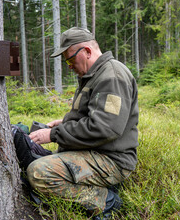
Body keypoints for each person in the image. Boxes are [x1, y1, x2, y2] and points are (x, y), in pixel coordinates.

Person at [14, 27, 139, 219]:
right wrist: (63, 123)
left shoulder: (112, 76)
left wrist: (54, 135)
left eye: (70, 59)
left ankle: (106, 201)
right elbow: (95, 115)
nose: (69, 66)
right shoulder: (94, 75)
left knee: (39, 172)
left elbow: (106, 127)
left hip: (112, 160)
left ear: (87, 52)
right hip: (95, 152)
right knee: (37, 161)